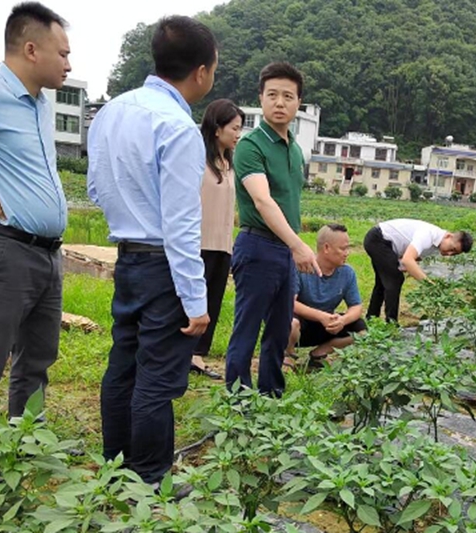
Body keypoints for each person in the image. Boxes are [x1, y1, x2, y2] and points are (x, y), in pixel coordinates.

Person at [87, 16, 217, 485]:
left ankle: (115, 466)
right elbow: (182, 224)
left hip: (129, 256)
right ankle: (150, 479)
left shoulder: (111, 112)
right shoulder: (178, 127)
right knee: (156, 379)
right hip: (164, 264)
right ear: (203, 71)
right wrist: (196, 302)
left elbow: (97, 188)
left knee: (123, 363)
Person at [0, 2, 71, 441]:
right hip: (4, 249)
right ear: (31, 49)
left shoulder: (42, 104)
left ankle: (26, 444)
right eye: (62, 53)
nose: (69, 63)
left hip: (47, 253)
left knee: (37, 360)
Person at [225, 61, 320, 397]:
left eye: (288, 96)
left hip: (284, 250)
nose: (280, 103)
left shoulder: (295, 150)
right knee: (247, 328)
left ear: (298, 104)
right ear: (261, 99)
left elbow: (289, 201)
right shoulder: (251, 146)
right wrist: (298, 244)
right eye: (273, 95)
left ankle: (270, 394)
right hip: (258, 246)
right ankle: (238, 400)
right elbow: (264, 202)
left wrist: (293, 246)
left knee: (280, 329)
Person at [190, 100, 244, 380]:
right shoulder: (198, 160)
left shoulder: (228, 164)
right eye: (234, 128)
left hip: (223, 244)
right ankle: (180, 354)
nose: (238, 134)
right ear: (216, 128)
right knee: (190, 301)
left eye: (240, 129)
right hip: (198, 243)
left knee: (213, 301)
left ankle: (197, 356)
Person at [286, 224, 366, 370]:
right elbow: (289, 302)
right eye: (343, 248)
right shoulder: (301, 268)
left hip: (327, 326)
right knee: (290, 322)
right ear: (327, 248)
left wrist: (342, 320)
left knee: (361, 330)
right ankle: (287, 354)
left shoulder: (347, 273)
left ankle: (319, 354)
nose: (347, 253)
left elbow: (356, 306)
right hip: (300, 326)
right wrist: (320, 316)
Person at [364, 219, 473, 324]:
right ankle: (391, 323)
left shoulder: (438, 246)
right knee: (396, 279)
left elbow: (411, 259)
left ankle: (371, 319)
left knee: (383, 282)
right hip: (378, 239)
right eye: (452, 249)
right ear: (448, 236)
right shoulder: (428, 235)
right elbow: (408, 260)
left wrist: (404, 266)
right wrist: (429, 284)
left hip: (385, 244)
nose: (449, 254)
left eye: (454, 253)